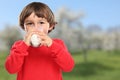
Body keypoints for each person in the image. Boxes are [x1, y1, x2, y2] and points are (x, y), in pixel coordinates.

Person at [5, 2, 74, 80]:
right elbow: (11, 69)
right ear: (24, 27)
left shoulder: (57, 44)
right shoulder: (19, 46)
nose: (36, 28)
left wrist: (52, 45)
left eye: (41, 22)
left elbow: (68, 67)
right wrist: (23, 46)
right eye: (30, 23)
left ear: (50, 26)